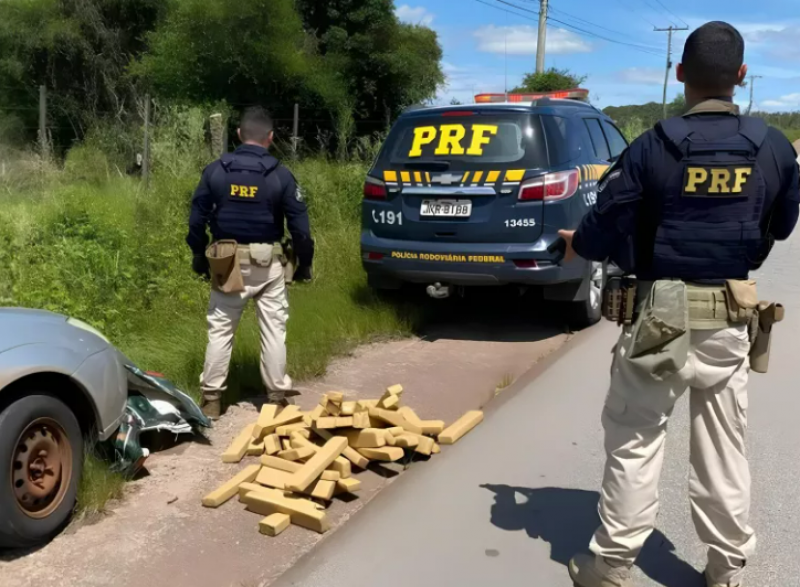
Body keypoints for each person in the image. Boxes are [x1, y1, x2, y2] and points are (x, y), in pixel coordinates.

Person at [559, 22, 799, 587]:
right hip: (727, 319)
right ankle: (725, 568)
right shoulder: (773, 148)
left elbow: (599, 232)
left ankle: (611, 566)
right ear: (741, 77)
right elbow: (783, 227)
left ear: (680, 74)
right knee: (722, 450)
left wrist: (578, 243)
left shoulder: (651, 146)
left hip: (655, 320)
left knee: (635, 442)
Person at [187, 106, 314, 419]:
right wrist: (305, 265)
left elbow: (195, 221)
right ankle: (278, 397)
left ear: (239, 135)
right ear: (270, 138)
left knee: (220, 330)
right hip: (269, 264)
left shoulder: (216, 171)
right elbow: (301, 230)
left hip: (226, 262)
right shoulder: (281, 175)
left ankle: (212, 400)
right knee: (273, 329)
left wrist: (199, 256)